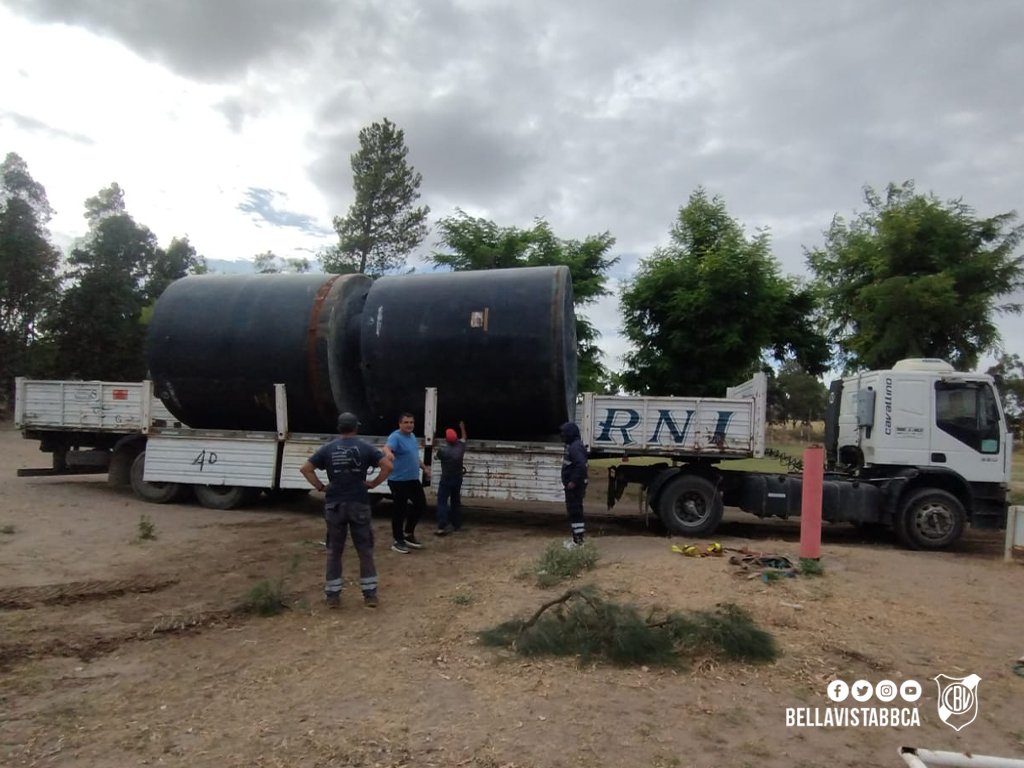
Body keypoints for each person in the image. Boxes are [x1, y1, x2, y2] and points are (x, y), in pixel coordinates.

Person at [300, 412, 392, 609]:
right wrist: (373, 483)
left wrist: (320, 487)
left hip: (335, 504)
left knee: (334, 550)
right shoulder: (365, 447)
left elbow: (306, 468)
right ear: (356, 427)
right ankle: (370, 595)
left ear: (339, 428)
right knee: (364, 549)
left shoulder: (328, 449)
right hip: (359, 502)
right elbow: (387, 466)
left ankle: (333, 596)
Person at [386, 412, 431, 553]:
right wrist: (389, 453)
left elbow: (414, 456)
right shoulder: (395, 437)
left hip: (412, 479)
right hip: (398, 480)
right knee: (400, 510)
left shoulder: (412, 437)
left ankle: (408, 534)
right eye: (406, 422)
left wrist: (424, 468)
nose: (409, 425)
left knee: (421, 505)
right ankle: (397, 541)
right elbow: (386, 448)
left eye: (411, 422)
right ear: (400, 424)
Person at [434, 420, 467, 536]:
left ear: (446, 439)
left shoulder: (443, 451)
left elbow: (436, 457)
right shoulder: (461, 447)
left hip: (446, 479)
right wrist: (462, 427)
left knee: (442, 502)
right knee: (455, 502)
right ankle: (456, 525)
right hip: (457, 478)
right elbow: (464, 438)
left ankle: (442, 526)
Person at [560, 421, 588, 547]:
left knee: (575, 512)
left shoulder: (575, 447)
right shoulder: (573, 445)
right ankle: (577, 539)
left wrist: (573, 481)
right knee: (575, 512)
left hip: (575, 487)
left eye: (564, 434)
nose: (562, 436)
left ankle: (578, 541)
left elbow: (581, 466)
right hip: (575, 485)